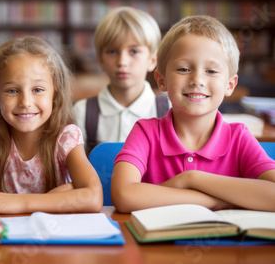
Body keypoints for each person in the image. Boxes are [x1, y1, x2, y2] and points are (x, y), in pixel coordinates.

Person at [111, 15, 275, 213]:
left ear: (230, 85)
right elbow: (123, 196)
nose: (197, 79)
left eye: (212, 71)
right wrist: (216, 201)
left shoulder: (238, 137)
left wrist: (191, 178)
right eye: (183, 69)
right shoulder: (145, 132)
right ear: (161, 80)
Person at [0, 36, 103, 214]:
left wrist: (20, 203)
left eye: (37, 90)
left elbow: (93, 197)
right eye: (12, 91)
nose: (26, 102)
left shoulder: (66, 137)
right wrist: (64, 194)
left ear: (54, 95)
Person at [73, 7, 167, 154]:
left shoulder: (170, 110)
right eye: (112, 52)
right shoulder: (82, 112)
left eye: (134, 51)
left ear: (152, 60)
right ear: (101, 60)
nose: (122, 61)